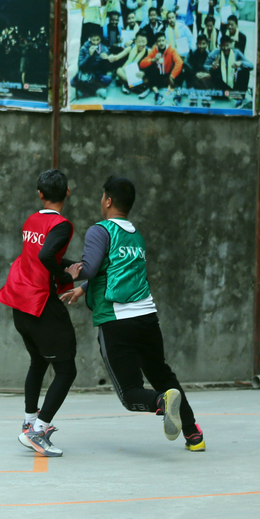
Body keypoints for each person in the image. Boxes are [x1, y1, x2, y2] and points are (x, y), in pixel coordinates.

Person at [61, 177, 204, 452]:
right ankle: (193, 433)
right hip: (147, 318)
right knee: (163, 376)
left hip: (117, 321)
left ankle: (160, 403)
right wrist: (84, 289)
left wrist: (64, 269)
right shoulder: (136, 235)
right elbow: (117, 271)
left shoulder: (99, 230)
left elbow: (89, 268)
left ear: (108, 200)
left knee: (130, 394)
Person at [0, 170, 78, 457]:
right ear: (67, 192)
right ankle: (39, 430)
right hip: (41, 304)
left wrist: (70, 265)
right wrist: (64, 273)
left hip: (19, 301)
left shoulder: (31, 220)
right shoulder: (62, 225)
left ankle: (29, 422)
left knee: (38, 363)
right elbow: (46, 258)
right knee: (67, 369)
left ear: (40, 194)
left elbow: (38, 254)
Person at [138, 32, 183, 105]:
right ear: (156, 43)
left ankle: (178, 95)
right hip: (159, 77)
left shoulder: (171, 50)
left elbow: (179, 62)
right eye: (159, 41)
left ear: (166, 41)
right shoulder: (154, 51)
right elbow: (142, 64)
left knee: (181, 70)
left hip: (169, 76)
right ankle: (157, 95)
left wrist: (172, 76)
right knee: (151, 68)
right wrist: (153, 60)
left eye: (163, 40)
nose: (161, 43)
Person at [207, 36, 253, 104]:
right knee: (214, 72)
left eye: (227, 45)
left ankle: (238, 96)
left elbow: (251, 65)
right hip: (220, 85)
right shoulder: (215, 53)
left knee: (245, 71)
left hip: (233, 82)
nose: (225, 48)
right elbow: (205, 65)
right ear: (220, 46)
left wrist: (240, 63)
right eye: (223, 46)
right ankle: (232, 95)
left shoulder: (236, 52)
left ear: (231, 45)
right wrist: (212, 67)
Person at [73, 32, 115, 100]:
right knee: (76, 80)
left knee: (108, 79)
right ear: (89, 39)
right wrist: (89, 55)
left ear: (100, 39)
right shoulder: (84, 48)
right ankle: (97, 90)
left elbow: (108, 66)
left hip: (98, 73)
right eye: (93, 40)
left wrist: (107, 58)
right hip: (87, 73)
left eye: (97, 40)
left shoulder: (104, 48)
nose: (95, 42)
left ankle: (86, 90)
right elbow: (80, 65)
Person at [185, 35, 214, 106]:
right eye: (199, 44)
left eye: (203, 44)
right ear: (196, 44)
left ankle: (205, 98)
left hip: (204, 78)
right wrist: (195, 73)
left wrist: (207, 74)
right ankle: (194, 98)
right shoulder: (192, 53)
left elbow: (212, 67)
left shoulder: (210, 54)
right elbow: (185, 63)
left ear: (207, 44)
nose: (201, 46)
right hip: (195, 76)